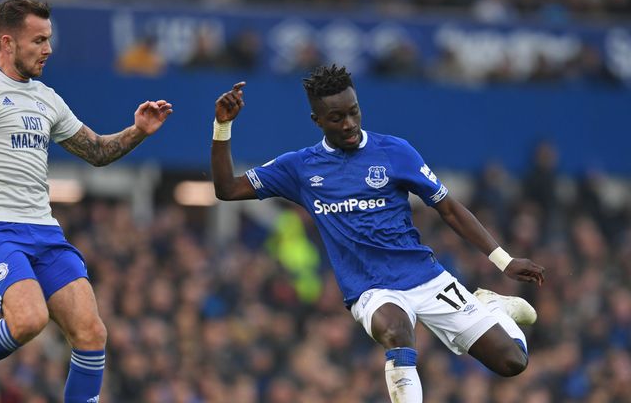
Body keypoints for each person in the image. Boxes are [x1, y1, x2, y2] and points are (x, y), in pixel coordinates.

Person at [0, 0, 173, 403]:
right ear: (7, 42)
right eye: (38, 40)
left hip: (45, 230)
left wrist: (138, 131)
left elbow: (97, 151)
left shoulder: (47, 98)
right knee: (28, 320)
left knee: (92, 332)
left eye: (49, 39)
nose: (48, 49)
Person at [210, 65, 545, 402]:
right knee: (397, 331)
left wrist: (504, 260)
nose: (349, 124)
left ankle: (491, 308)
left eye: (354, 112)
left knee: (512, 362)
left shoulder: (395, 152)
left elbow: (449, 208)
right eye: (337, 117)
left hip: (425, 277)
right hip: (370, 288)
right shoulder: (299, 167)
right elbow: (227, 189)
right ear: (317, 121)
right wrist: (223, 126)